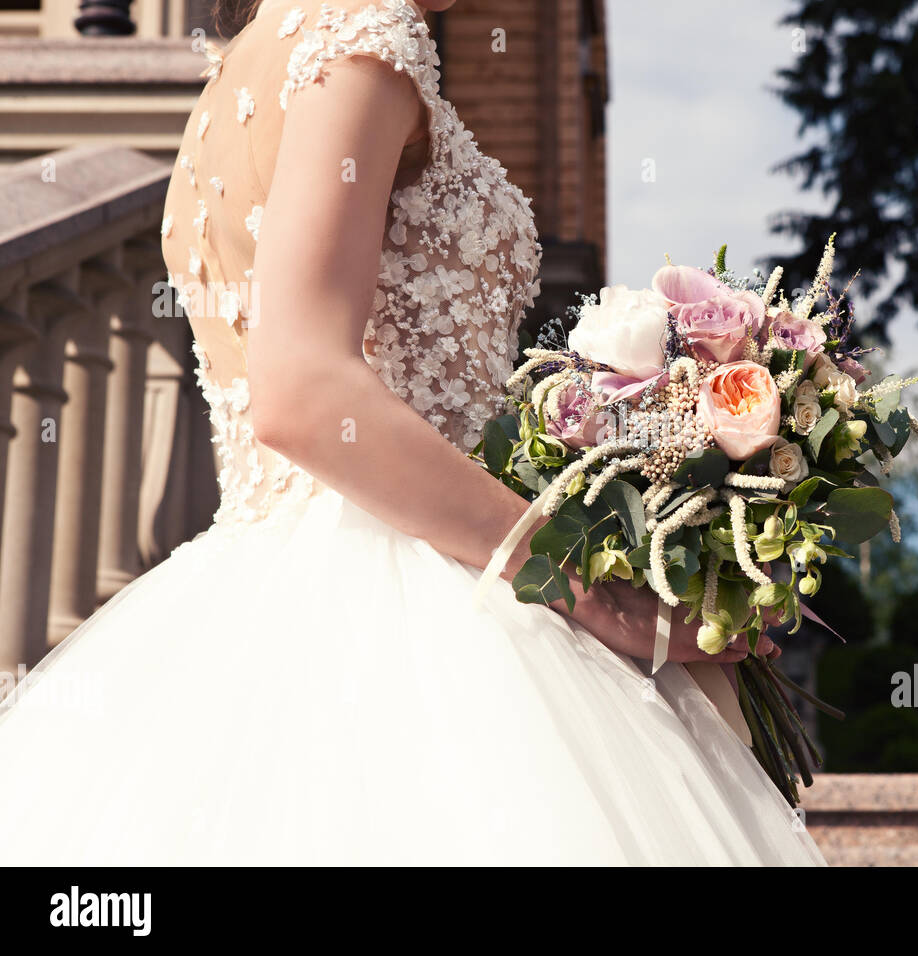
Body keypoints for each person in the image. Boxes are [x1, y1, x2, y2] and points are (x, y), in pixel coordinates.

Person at [0, 0, 823, 865]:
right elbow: (303, 390)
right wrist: (588, 589)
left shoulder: (248, 65)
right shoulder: (366, 42)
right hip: (414, 586)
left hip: (275, 581)